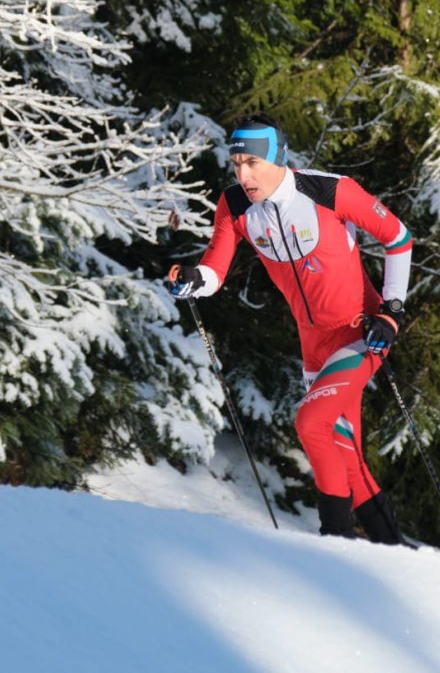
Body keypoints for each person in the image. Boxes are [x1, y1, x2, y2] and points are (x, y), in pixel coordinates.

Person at [166, 114, 412, 543]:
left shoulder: (329, 191)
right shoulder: (236, 206)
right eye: (237, 163)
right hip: (314, 345)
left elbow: (398, 237)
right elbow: (215, 270)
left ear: (278, 159)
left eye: (252, 163)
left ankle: (335, 540)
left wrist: (391, 312)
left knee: (313, 424)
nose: (243, 175)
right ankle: (393, 549)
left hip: (361, 332)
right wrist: (193, 279)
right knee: (345, 453)